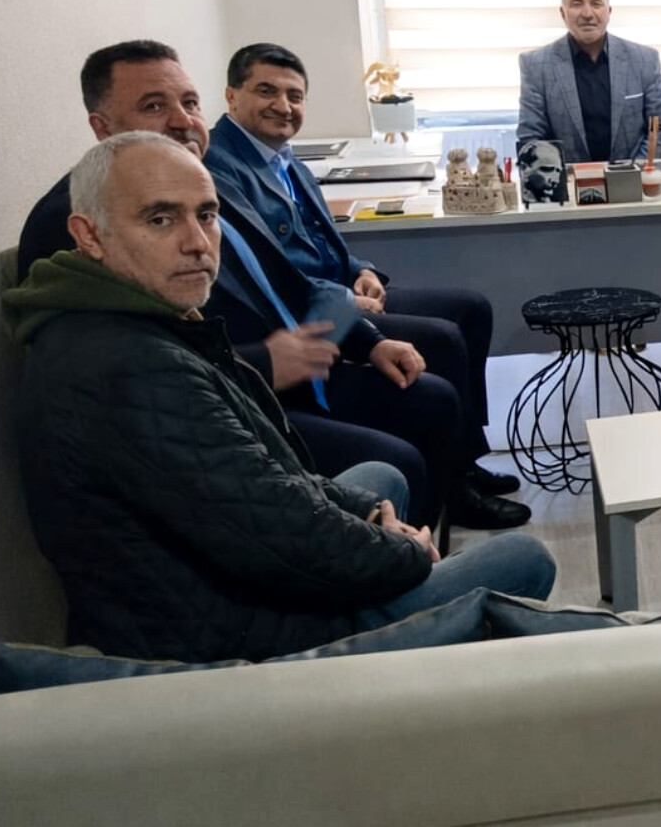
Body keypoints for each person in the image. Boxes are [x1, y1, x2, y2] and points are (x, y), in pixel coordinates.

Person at [3, 133, 556, 663]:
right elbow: (281, 535)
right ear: (89, 235)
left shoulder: (120, 319)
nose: (197, 242)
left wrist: (368, 515)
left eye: (206, 215)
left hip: (227, 578)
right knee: (522, 557)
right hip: (237, 636)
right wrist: (406, 551)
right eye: (160, 219)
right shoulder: (132, 368)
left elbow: (259, 485)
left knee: (380, 481)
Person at [14, 40, 435, 507]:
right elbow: (139, 374)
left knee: (429, 396)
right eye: (154, 106)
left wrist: (367, 340)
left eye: (190, 103)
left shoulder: (201, 183)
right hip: (229, 408)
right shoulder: (71, 220)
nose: (183, 121)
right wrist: (265, 361)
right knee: (399, 460)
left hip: (296, 370)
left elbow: (285, 278)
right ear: (102, 126)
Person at [203, 43, 528, 523]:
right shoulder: (221, 168)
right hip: (314, 312)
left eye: (295, 96)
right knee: (443, 339)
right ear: (232, 96)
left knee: (471, 308)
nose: (283, 106)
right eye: (266, 91)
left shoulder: (282, 157)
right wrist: (347, 304)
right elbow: (276, 273)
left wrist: (362, 269)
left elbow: (321, 241)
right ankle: (455, 492)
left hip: (342, 290)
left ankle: (463, 457)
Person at [517, 0, 661, 163]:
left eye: (596, 4)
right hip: (568, 179)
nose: (587, 13)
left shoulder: (644, 60)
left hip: (634, 177)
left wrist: (633, 171)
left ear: (609, 11)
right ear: (563, 13)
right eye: (576, 4)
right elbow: (531, 138)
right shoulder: (535, 66)